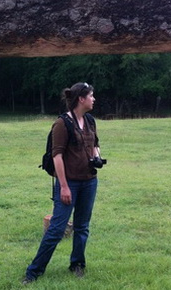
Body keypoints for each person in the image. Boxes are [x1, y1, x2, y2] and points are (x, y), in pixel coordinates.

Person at [22, 82, 105, 285]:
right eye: (91, 96)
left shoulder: (90, 120)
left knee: (82, 226)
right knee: (57, 229)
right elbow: (57, 156)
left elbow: (95, 145)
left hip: (89, 182)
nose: (94, 99)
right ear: (81, 99)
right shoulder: (62, 124)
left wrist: (97, 157)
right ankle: (33, 272)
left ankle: (77, 264)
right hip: (70, 184)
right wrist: (64, 186)